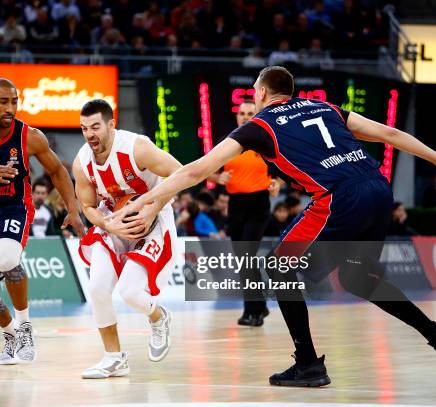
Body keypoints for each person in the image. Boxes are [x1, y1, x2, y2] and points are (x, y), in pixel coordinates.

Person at [113, 66, 436, 387]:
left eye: (255, 91)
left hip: (340, 198)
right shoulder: (325, 107)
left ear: (263, 93)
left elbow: (197, 170)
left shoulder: (261, 124)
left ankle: (308, 363)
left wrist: (145, 200)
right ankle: (432, 332)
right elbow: (390, 135)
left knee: (279, 265)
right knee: (357, 277)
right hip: (378, 190)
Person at [0, 78, 84, 365]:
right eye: (3, 101)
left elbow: (58, 171)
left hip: (13, 207)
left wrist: (73, 208)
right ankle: (11, 335)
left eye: (14, 101)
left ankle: (25, 327)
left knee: (8, 258)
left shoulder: (30, 136)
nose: (11, 108)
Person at [73, 99, 182, 379]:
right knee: (97, 289)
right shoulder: (82, 162)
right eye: (84, 128)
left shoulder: (137, 147)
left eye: (95, 127)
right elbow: (87, 207)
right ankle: (114, 358)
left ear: (111, 124)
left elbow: (179, 173)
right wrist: (107, 222)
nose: (89, 134)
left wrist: (152, 209)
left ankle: (159, 317)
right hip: (114, 221)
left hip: (152, 220)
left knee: (130, 292)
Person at [210, 100, 277, 327]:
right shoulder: (228, 143)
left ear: (257, 114)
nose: (246, 116)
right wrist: (217, 178)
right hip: (236, 206)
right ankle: (259, 307)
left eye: (250, 113)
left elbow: (281, 168)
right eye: (242, 113)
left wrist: (276, 182)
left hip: (259, 204)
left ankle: (254, 311)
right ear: (237, 117)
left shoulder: (265, 141)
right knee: (243, 261)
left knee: (247, 256)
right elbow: (205, 169)